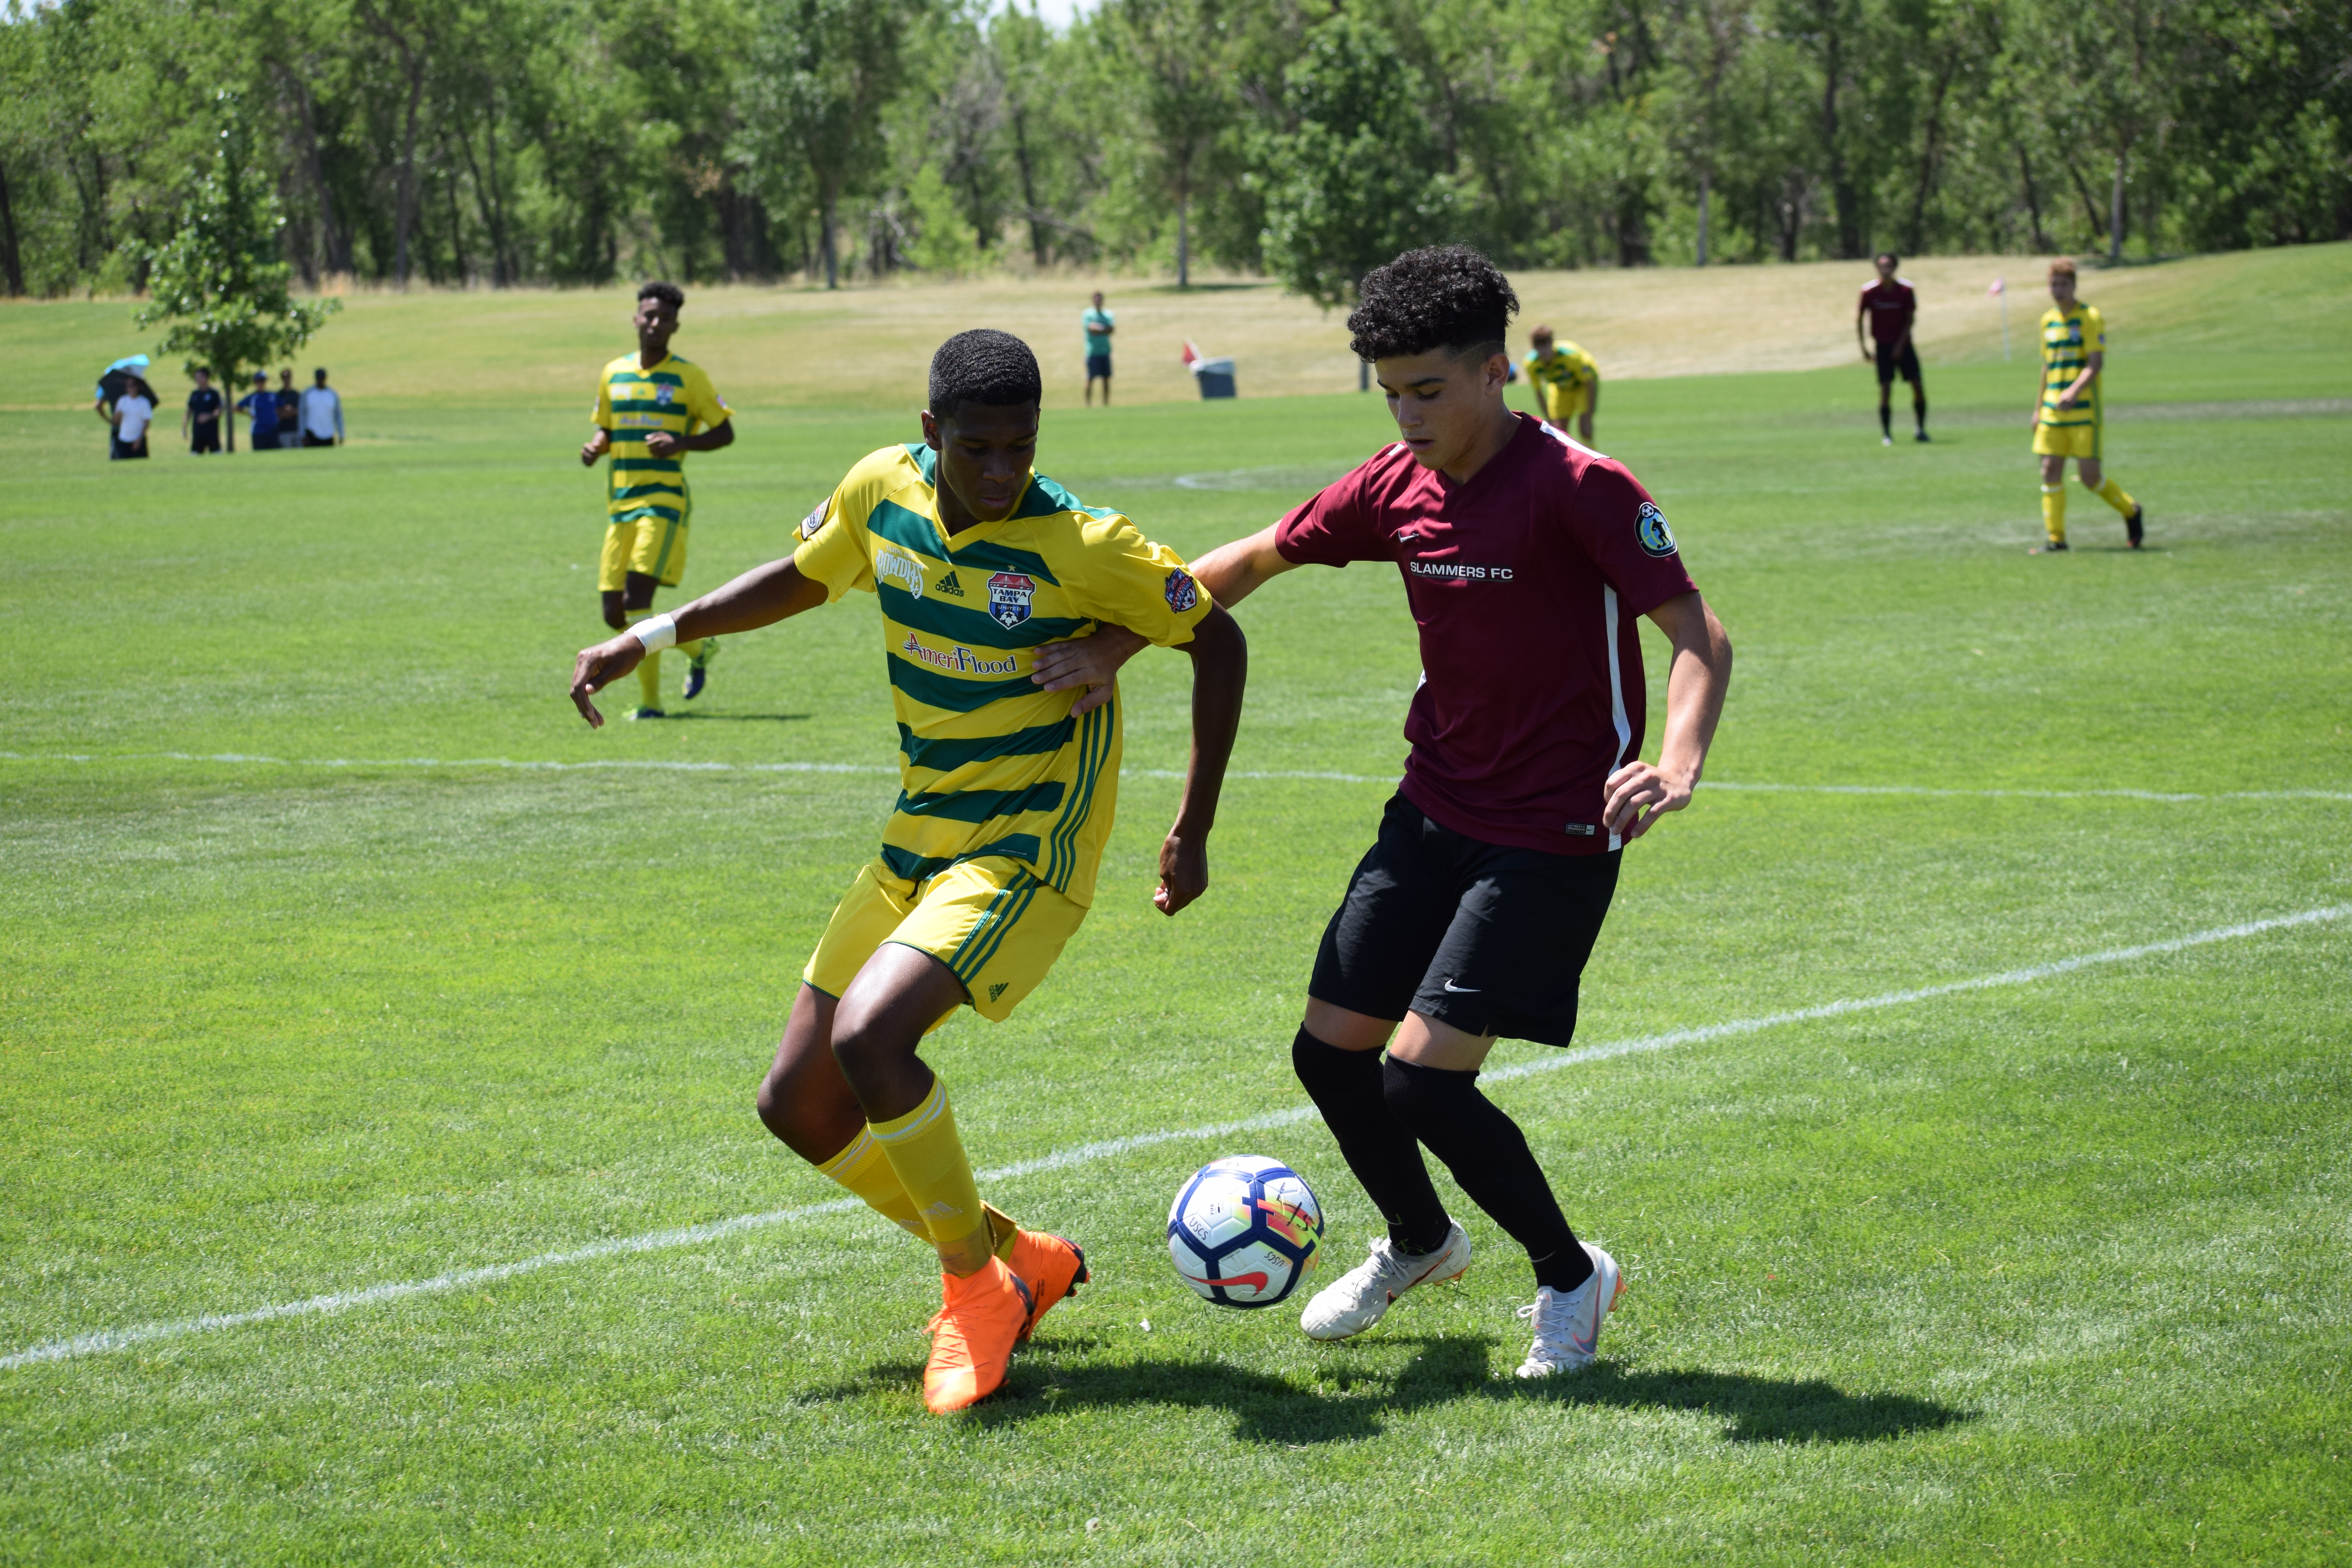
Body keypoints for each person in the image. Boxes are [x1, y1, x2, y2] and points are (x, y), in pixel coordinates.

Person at [1038, 246, 1732, 1379]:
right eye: (1391, 393)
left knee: (1421, 1078)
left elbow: (1701, 635)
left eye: (1430, 391)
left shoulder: (1581, 489)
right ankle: (1422, 1241)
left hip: (1553, 831)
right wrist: (1119, 644)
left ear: (1497, 372)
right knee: (1330, 1054)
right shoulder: (1393, 486)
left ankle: (1570, 1276)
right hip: (1432, 810)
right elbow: (1253, 559)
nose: (1409, 416)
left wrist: (1679, 762)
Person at [566, 328, 1249, 1414]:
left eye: (1018, 450)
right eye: (976, 449)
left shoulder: (1083, 542)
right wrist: (650, 635)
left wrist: (1193, 826)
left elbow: (1217, 641)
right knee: (798, 1103)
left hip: (1028, 846)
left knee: (872, 1039)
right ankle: (1017, 1260)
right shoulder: (882, 489)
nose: (997, 473)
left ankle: (973, 1292)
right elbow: (800, 577)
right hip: (918, 835)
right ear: (930, 434)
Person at [580, 281, 735, 717]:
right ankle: (699, 649)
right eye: (649, 315)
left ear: (675, 326)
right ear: (636, 319)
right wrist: (596, 446)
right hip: (621, 505)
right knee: (614, 613)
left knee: (637, 601)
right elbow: (608, 428)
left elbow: (725, 432)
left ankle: (650, 705)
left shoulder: (689, 377)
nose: (655, 324)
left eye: (664, 319)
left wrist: (680, 442)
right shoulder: (615, 373)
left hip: (663, 501)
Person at [2031, 258, 2145, 553]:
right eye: (2054, 284)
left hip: (2083, 412)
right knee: (2049, 469)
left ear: (2074, 286)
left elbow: (2096, 364)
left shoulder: (2089, 317)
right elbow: (2047, 366)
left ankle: (2131, 510)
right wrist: (2038, 407)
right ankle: (2056, 539)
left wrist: (2073, 391)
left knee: (2089, 477)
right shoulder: (2048, 321)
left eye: (2064, 285)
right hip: (2052, 412)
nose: (2058, 290)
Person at [1857, 252, 1928, 445]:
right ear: (1877, 268)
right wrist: (1864, 348)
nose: (1885, 270)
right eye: (1882, 266)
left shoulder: (1906, 290)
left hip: (1905, 346)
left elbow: (1910, 320)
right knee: (1886, 389)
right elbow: (1860, 319)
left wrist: (1899, 346)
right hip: (1883, 347)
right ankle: (1887, 434)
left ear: (1895, 267)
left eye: (1889, 266)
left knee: (1918, 386)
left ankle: (1920, 429)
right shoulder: (1869, 291)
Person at [1521, 325, 1598, 444]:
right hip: (1560, 389)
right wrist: (1549, 418)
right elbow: (1539, 392)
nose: (1543, 352)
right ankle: (1566, 462)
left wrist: (1589, 413)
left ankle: (1594, 460)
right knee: (1558, 432)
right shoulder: (1531, 364)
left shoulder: (1572, 356)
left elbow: (1589, 383)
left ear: (1552, 343)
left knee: (1585, 430)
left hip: (1582, 387)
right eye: (1538, 347)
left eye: (1545, 345)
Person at [109, 377, 155, 460]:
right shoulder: (122, 401)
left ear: (138, 386)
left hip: (137, 439)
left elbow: (147, 422)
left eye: (133, 385)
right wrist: (118, 414)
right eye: (129, 386)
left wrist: (140, 438)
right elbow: (116, 422)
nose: (131, 388)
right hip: (123, 439)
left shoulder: (144, 402)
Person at [1082, 291, 1114, 407]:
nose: (1098, 301)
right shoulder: (1088, 314)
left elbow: (1111, 329)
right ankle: (1088, 404)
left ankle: (1106, 404)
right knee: (1090, 378)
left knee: (1106, 379)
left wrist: (1099, 328)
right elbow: (1091, 329)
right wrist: (1103, 329)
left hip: (1105, 352)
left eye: (1100, 299)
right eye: (1096, 299)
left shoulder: (1108, 314)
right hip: (1092, 352)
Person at [299, 368, 344, 447]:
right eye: (319, 378)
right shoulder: (308, 394)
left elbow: (338, 415)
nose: (320, 380)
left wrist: (341, 435)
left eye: (322, 378)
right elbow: (302, 414)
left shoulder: (332, 394)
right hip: (311, 434)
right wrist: (303, 435)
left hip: (329, 434)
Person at [238, 372, 282, 451]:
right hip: (259, 431)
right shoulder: (253, 397)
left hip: (273, 430)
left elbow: (282, 406)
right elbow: (237, 407)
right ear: (255, 382)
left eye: (263, 381)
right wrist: (248, 413)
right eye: (259, 381)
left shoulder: (272, 395)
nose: (261, 383)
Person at [183, 368, 223, 454]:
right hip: (198, 432)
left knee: (217, 454)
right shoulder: (195, 394)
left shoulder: (214, 394)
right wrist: (184, 427)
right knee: (195, 455)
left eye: (200, 378)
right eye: (196, 378)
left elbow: (219, 411)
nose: (197, 381)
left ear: (206, 378)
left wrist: (208, 416)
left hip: (211, 431)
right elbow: (189, 411)